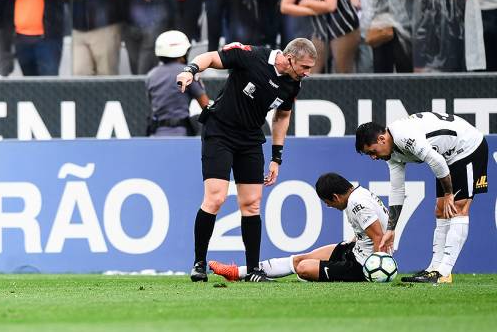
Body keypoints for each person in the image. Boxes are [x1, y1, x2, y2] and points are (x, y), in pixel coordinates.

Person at [176, 37, 317, 283]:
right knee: (216, 197)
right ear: (290, 58)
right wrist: (190, 70)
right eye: (305, 67)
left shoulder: (293, 84)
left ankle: (253, 270)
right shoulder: (252, 56)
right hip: (219, 131)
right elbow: (209, 58)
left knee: (252, 204)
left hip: (251, 138)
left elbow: (282, 116)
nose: (308, 73)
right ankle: (199, 263)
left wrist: (277, 156)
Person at [355, 112, 489, 283]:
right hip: (448, 157)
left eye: (372, 152)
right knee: (440, 210)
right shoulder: (391, 155)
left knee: (458, 207)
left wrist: (448, 193)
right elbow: (397, 190)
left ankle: (444, 272)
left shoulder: (404, 136)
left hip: (468, 146)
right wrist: (391, 229)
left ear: (382, 139)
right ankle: (434, 269)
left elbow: (436, 161)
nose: (373, 157)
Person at [209, 173, 388, 282]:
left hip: (362, 265)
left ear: (335, 196)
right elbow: (373, 230)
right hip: (356, 251)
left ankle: (323, 276)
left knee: (304, 269)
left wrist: (377, 270)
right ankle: (236, 272)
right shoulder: (359, 194)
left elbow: (378, 236)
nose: (328, 206)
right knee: (300, 259)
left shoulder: (357, 204)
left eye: (327, 202)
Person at [146, 30, 208, 137]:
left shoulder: (151, 75)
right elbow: (206, 106)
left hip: (156, 136)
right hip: (182, 136)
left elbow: (152, 104)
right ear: (183, 53)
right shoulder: (188, 73)